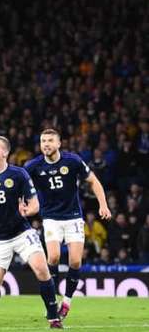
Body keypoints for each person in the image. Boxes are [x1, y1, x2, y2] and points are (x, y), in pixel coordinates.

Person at [0, 135, 62, 329]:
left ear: (5, 152)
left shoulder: (19, 174)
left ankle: (53, 318)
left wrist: (28, 211)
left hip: (21, 232)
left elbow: (35, 203)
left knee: (42, 269)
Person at [24, 128, 112, 319]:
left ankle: (67, 302)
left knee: (75, 261)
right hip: (50, 218)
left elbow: (94, 181)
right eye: (43, 141)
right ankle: (52, 301)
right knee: (53, 257)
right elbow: (18, 185)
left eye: (50, 140)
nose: (46, 144)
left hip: (73, 216)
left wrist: (103, 205)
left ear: (58, 143)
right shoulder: (33, 166)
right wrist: (22, 205)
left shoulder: (72, 161)